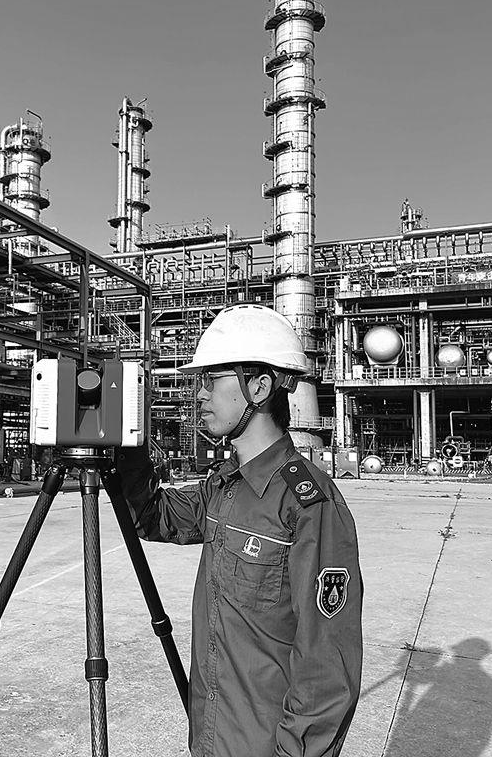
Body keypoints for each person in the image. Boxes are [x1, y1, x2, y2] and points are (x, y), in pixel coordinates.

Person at [114, 304, 363, 757]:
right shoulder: (223, 486)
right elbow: (154, 516)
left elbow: (327, 663)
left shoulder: (307, 503)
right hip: (210, 735)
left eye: (212, 380)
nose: (200, 394)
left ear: (259, 387)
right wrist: (127, 443)